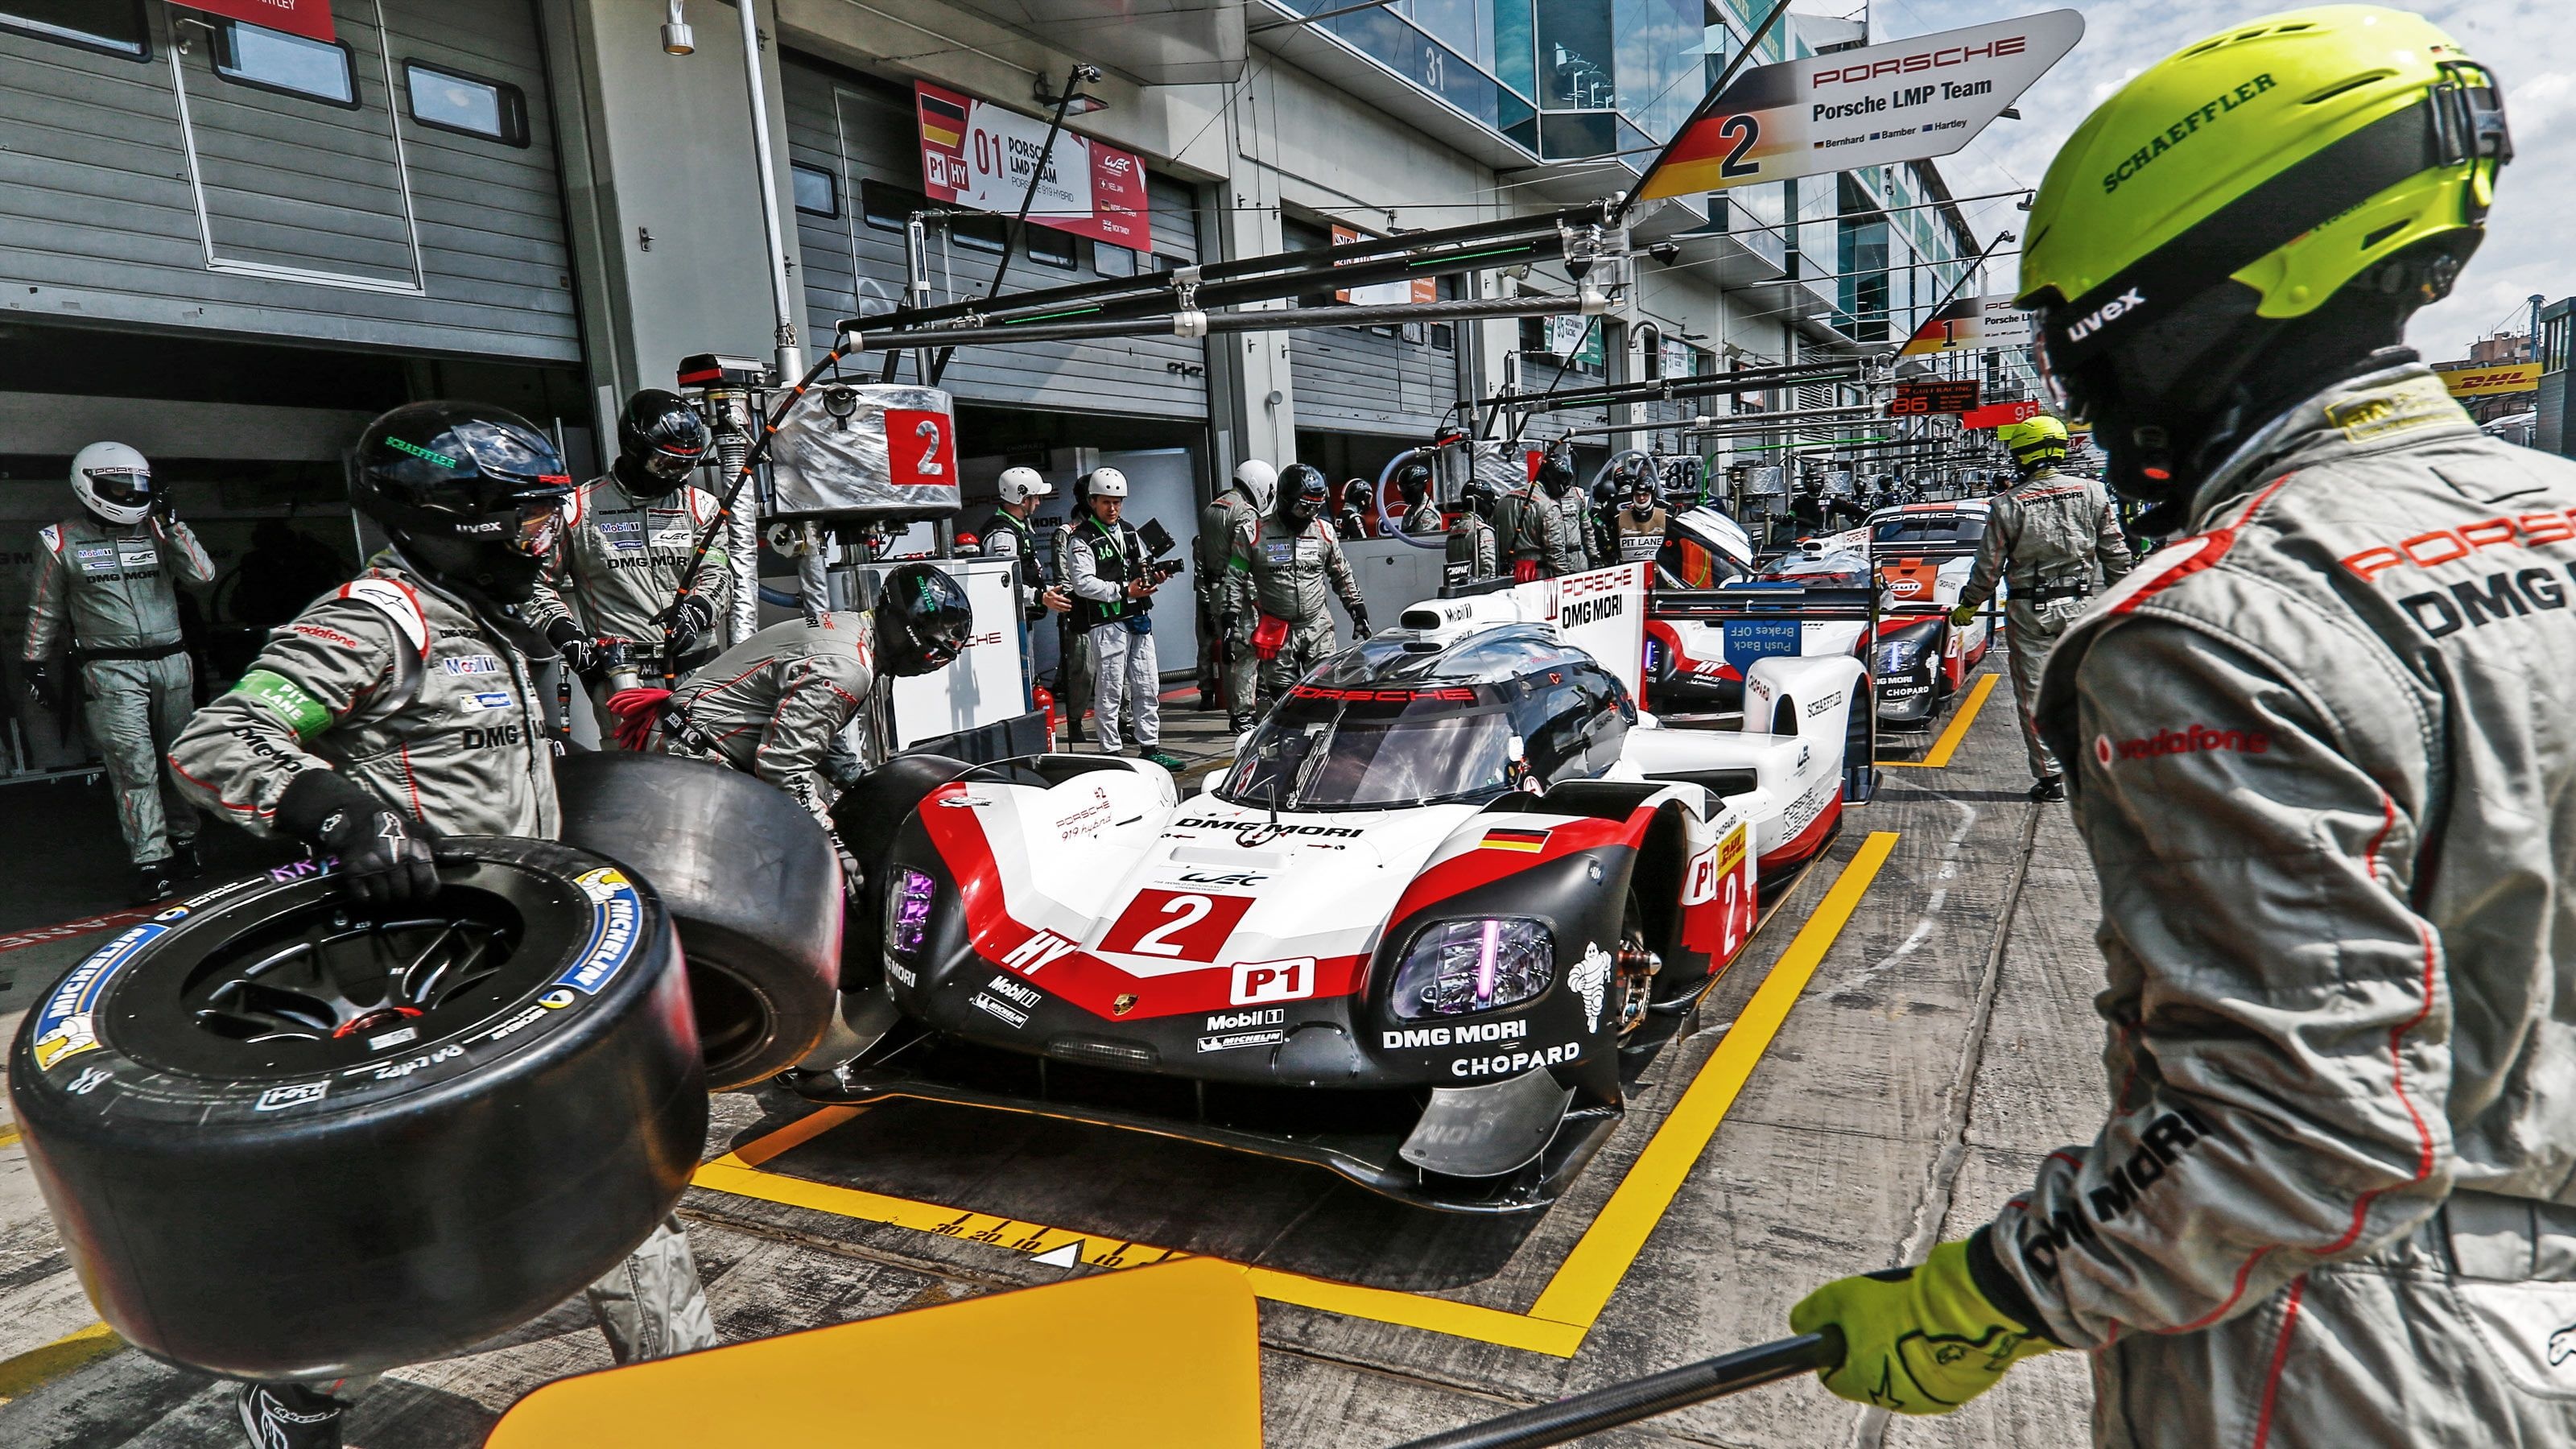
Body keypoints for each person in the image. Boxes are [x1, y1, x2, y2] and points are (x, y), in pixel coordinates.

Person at [1790, 13, 2573, 1447]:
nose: (2085, 402)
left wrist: (1993, 1290)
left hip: (2353, 1367)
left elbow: (2287, 1135)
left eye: (2086, 343)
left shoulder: (2217, 627)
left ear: (2207, 302)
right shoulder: (2553, 521)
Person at [164, 402, 715, 1449]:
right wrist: (342, 812)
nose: (547, 540)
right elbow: (219, 737)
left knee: (625, 1200)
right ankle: (298, 1389)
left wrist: (614, 656)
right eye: (528, 522)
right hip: (432, 982)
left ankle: (685, 1408)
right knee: (422, 1236)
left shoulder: (501, 609)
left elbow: (559, 648)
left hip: (542, 964)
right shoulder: (377, 620)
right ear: (448, 518)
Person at [618, 564, 973, 819]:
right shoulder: (847, 666)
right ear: (907, 628)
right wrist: (834, 845)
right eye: (935, 650)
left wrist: (861, 783)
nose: (933, 661)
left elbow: (812, 730)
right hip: (692, 755)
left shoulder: (853, 629)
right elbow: (783, 766)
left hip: (689, 741)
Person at [22, 442, 216, 902]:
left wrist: (172, 523)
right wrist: (33, 663)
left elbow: (203, 576)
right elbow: (44, 608)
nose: (130, 496)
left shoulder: (159, 530)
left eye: (138, 487)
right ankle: (153, 861)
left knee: (179, 760)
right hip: (110, 670)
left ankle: (186, 844)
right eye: (118, 487)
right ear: (87, 485)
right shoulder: (59, 540)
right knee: (134, 768)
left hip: (173, 663)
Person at [1945, 414, 2132, 801]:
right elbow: (2116, 554)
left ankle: (2051, 778)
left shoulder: (2007, 505)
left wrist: (1968, 606)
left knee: (2035, 695)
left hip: (2030, 614)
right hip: (2081, 606)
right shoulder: (2094, 493)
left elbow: (1988, 569)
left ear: (2023, 456)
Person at [526, 390, 732, 740]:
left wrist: (697, 610)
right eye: (665, 463)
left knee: (715, 779)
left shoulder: (702, 507)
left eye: (685, 465)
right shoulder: (577, 511)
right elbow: (534, 583)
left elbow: (719, 572)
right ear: (634, 448)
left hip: (702, 675)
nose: (674, 475)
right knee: (638, 782)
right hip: (623, 679)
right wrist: (568, 638)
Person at [1063, 468, 1183, 770]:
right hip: (1106, 623)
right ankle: (1110, 752)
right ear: (1092, 502)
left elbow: (1142, 565)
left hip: (1138, 619)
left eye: (1118, 502)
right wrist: (1123, 591)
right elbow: (1083, 584)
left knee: (1147, 684)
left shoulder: (1130, 530)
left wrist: (1155, 577)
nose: (1113, 508)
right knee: (1111, 688)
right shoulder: (1081, 538)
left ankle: (1150, 746)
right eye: (1106, 502)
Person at [1234, 466, 1369, 710]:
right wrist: (1228, 618)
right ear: (1285, 500)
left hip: (1317, 627)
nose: (1310, 514)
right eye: (1304, 507)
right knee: (1285, 703)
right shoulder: (1252, 534)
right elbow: (1233, 578)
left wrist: (1357, 610)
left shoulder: (1325, 532)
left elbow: (1341, 573)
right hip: (1277, 631)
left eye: (1316, 508)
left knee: (1327, 696)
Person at [982, 467, 1072, 700]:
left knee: (1027, 677)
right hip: (1011, 623)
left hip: (1023, 618)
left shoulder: (1018, 526)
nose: (1039, 502)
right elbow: (1001, 583)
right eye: (1035, 497)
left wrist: (1044, 591)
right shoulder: (1003, 533)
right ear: (1022, 499)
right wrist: (1040, 596)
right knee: (1020, 681)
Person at [1200, 460, 1272, 734]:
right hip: (1237, 593)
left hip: (1216, 591)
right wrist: (1260, 600)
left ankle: (1237, 709)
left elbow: (1202, 555)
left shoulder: (1213, 508)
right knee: (1246, 654)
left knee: (1230, 652)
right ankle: (1243, 715)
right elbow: (1245, 558)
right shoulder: (1245, 512)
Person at [229, 517, 348, 630]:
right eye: (269, 537)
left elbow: (324, 588)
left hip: (298, 622)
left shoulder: (305, 560)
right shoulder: (253, 561)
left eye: (278, 536)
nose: (274, 542)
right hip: (265, 623)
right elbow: (252, 592)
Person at [1049, 473, 1096, 745]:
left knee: (1120, 671)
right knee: (1083, 670)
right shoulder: (1066, 533)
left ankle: (1123, 721)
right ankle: (1076, 722)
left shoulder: (1113, 529)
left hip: (1112, 609)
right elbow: (1064, 580)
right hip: (1082, 612)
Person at [1493, 452, 1577, 581]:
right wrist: (1565, 580)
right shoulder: (1548, 507)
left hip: (1506, 575)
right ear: (1554, 479)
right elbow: (1555, 553)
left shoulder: (1503, 499)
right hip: (1537, 576)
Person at [1445, 475, 1499, 588]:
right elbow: (1489, 574)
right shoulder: (1482, 531)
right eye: (1490, 502)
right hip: (1479, 594)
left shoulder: (1453, 531)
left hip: (1458, 591)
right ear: (1482, 503)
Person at [1612, 472, 1668, 565]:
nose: (1641, 498)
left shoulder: (1666, 516)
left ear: (1652, 495)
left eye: (1645, 495)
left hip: (1658, 571)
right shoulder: (1619, 518)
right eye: (1637, 495)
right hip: (1628, 571)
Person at [1394, 459, 1443, 537]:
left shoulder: (1427, 513)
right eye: (1401, 488)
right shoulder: (1411, 511)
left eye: (1405, 488)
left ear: (1418, 487)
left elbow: (1423, 544)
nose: (1403, 492)